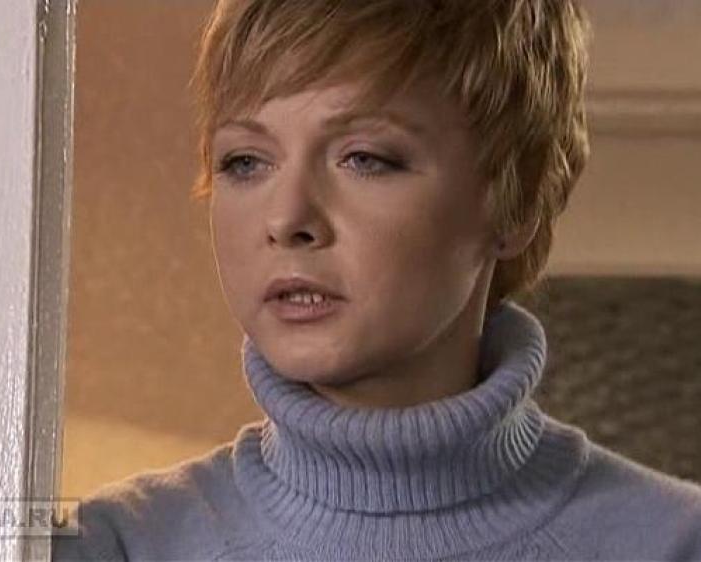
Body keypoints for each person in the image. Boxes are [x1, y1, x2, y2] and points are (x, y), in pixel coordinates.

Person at [53, 0, 701, 560]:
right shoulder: (117, 546)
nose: (288, 219)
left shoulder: (674, 542)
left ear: (517, 204)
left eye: (365, 158)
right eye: (246, 161)